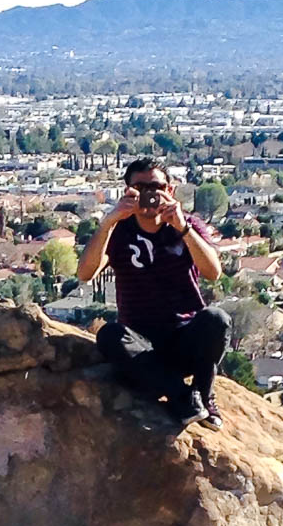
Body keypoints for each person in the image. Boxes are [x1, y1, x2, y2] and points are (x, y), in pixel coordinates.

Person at [77, 158, 230, 429]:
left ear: (170, 191)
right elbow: (85, 273)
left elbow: (213, 272)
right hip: (142, 345)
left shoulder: (188, 226)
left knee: (216, 319)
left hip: (185, 337)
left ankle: (204, 397)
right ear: (128, 191)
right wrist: (109, 222)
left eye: (156, 186)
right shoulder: (119, 231)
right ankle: (185, 398)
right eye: (140, 187)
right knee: (110, 335)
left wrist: (182, 228)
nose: (149, 193)